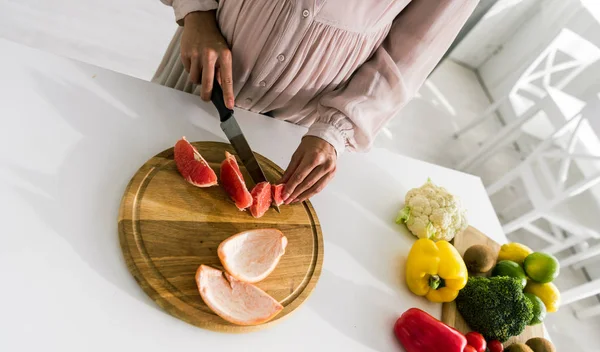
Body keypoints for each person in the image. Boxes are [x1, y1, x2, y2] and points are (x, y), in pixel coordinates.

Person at [155, 0, 477, 204]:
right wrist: (195, 12)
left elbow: (411, 54)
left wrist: (336, 130)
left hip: (299, 121)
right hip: (201, 64)